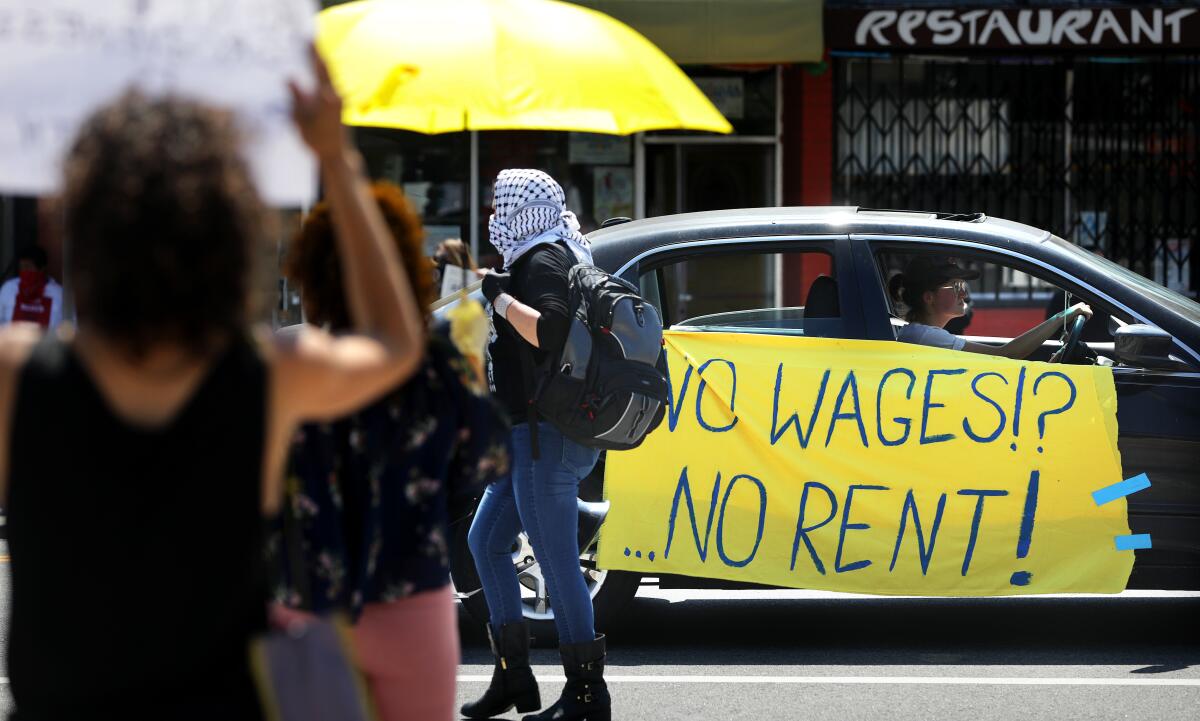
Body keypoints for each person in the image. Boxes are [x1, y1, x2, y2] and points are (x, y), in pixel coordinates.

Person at [0, 48, 425, 721]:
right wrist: (336, 158)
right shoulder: (272, 375)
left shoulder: (17, 375)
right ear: (230, 235)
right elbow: (396, 343)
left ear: (81, 225)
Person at [277, 181, 511, 721]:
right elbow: (488, 460)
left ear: (309, 281)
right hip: (410, 597)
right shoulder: (435, 365)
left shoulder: (282, 360)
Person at [462, 169, 609, 721]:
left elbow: (548, 331)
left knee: (555, 559)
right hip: (528, 437)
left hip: (546, 437)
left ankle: (588, 695)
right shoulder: (551, 251)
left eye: (501, 204)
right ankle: (514, 678)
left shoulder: (544, 259)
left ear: (524, 211)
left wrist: (499, 299)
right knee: (487, 542)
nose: (494, 214)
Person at [889, 256, 1091, 360]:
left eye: (963, 286)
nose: (964, 294)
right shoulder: (925, 337)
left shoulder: (922, 335)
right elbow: (1005, 355)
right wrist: (1061, 317)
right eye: (956, 286)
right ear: (929, 297)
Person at [0, 246, 64, 331]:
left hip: (47, 343)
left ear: (42, 268)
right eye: (21, 267)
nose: (24, 271)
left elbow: (71, 328)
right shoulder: (8, 288)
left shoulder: (59, 293)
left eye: (28, 267)